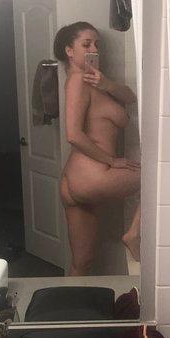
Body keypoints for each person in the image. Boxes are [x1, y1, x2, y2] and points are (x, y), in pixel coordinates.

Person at [54, 21, 141, 276]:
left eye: (96, 44)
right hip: (91, 176)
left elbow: (131, 97)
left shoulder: (93, 81)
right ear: (69, 51)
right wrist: (112, 161)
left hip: (75, 181)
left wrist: (107, 84)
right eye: (86, 44)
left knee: (82, 262)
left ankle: (68, 303)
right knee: (157, 176)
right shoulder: (77, 81)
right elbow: (73, 134)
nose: (94, 49)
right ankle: (133, 234)